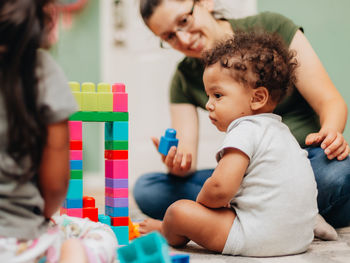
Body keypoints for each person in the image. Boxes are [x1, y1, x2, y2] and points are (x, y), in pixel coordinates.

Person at [134, 0, 350, 230]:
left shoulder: (271, 27)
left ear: (205, 3)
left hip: (304, 161)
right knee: (148, 189)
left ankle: (230, 215)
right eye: (169, 37)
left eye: (184, 21)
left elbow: (329, 101)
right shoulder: (184, 77)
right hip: (244, 172)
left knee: (337, 172)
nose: (184, 39)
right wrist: (177, 163)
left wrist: (331, 133)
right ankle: (285, 213)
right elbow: (186, 160)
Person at [144, 31, 318, 256]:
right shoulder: (282, 132)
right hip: (299, 239)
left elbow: (219, 189)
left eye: (217, 95)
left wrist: (201, 206)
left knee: (179, 211)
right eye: (208, 96)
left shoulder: (245, 129)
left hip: (258, 236)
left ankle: (165, 231)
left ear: (257, 98)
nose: (209, 105)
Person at [0, 1, 118, 262]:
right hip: (21, 243)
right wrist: (46, 216)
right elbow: (55, 186)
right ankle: (71, 256)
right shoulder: (40, 70)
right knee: (99, 233)